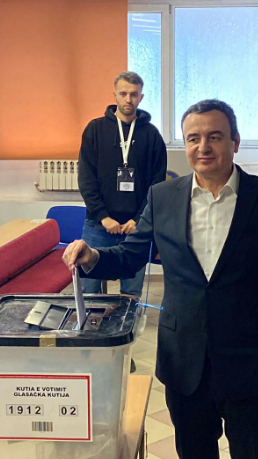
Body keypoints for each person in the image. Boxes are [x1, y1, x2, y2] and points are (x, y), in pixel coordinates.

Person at [64, 99, 258, 459]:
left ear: (235, 142)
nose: (203, 147)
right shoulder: (162, 197)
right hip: (184, 362)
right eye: (193, 138)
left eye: (215, 136)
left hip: (250, 361)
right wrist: (93, 256)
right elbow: (131, 254)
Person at [77, 71, 167, 298]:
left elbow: (156, 186)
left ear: (141, 97)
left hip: (135, 228)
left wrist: (139, 220)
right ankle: (93, 323)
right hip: (98, 225)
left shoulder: (152, 135)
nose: (128, 99)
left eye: (134, 94)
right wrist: (103, 217)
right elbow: (86, 179)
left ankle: (127, 324)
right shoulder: (95, 130)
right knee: (89, 292)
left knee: (131, 294)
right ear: (114, 95)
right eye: (123, 93)